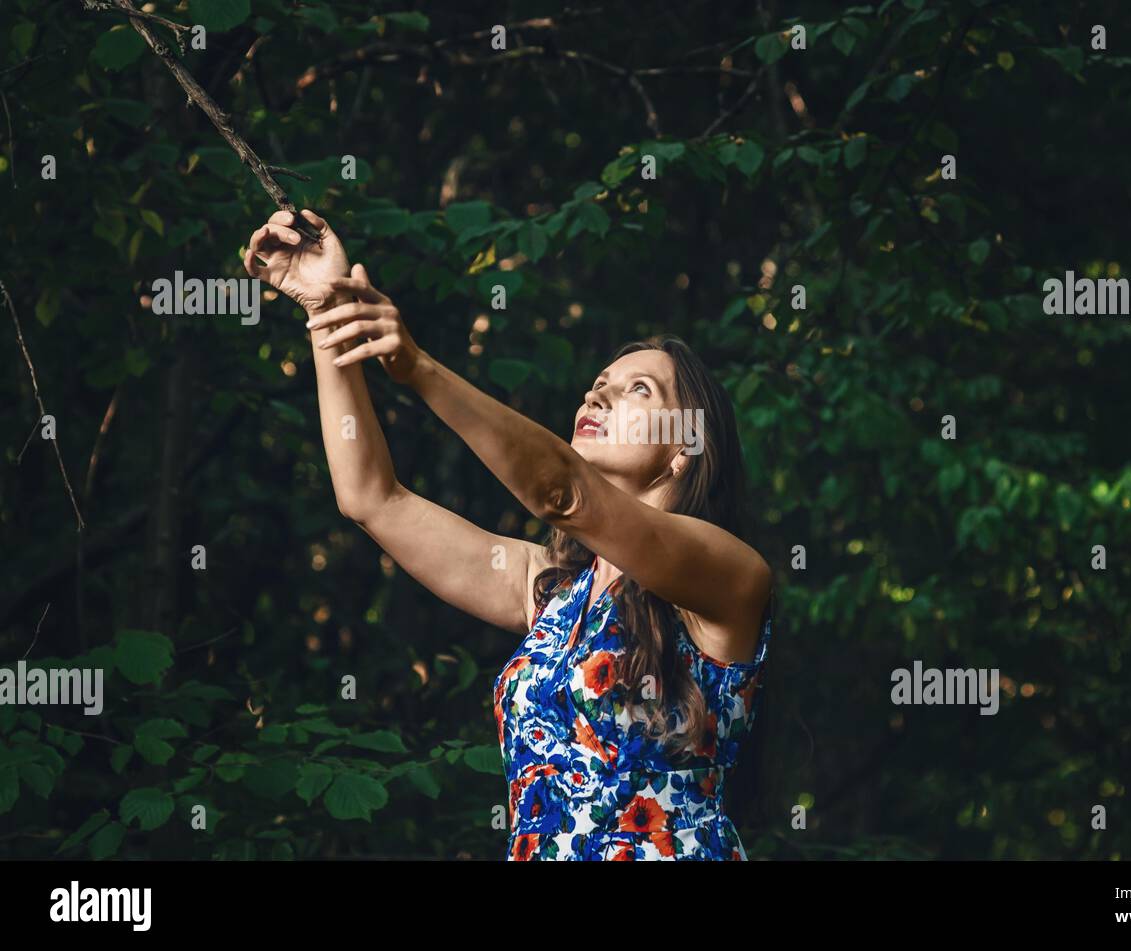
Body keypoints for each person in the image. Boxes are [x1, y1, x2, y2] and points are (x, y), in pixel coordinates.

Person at [243, 208, 775, 860]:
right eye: (598, 384)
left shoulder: (729, 577)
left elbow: (564, 491)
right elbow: (371, 498)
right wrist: (327, 313)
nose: (598, 397)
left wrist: (416, 366)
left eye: (638, 389)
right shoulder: (553, 595)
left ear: (685, 449)